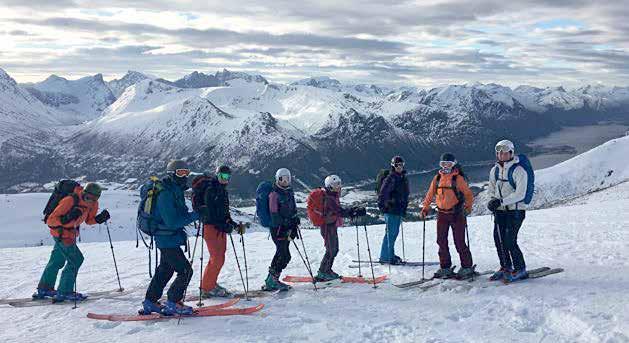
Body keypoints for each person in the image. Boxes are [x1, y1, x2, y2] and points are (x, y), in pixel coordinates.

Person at [34, 182, 110, 302]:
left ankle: (45, 288)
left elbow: (89, 220)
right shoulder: (70, 200)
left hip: (71, 234)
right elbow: (51, 220)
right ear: (84, 193)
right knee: (76, 259)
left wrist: (99, 219)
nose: (90, 200)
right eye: (88, 197)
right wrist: (66, 219)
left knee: (57, 260)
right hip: (61, 234)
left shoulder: (93, 204)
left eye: (94, 199)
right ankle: (64, 291)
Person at [141, 160, 199, 315]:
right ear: (171, 173)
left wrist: (194, 213)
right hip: (166, 238)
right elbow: (172, 221)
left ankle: (150, 301)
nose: (184, 176)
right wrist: (197, 215)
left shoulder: (175, 190)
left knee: (165, 269)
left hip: (168, 237)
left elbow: (179, 215)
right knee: (185, 270)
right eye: (180, 172)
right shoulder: (165, 194)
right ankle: (173, 302)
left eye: (186, 172)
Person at [420, 153, 475, 279]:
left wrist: (468, 208)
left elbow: (468, 195)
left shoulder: (458, 179)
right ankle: (445, 267)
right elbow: (430, 194)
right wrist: (425, 208)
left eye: (448, 163)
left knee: (459, 242)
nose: (445, 166)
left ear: (453, 164)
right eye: (443, 163)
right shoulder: (437, 178)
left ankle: (466, 266)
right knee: (441, 241)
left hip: (456, 214)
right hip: (442, 214)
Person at [197, 165, 242, 298]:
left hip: (220, 228)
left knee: (220, 257)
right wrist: (224, 226)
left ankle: (211, 283)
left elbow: (225, 213)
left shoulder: (222, 190)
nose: (225, 179)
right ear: (217, 175)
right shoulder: (211, 190)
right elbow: (211, 214)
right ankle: (206, 287)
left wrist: (232, 224)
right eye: (222, 176)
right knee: (216, 258)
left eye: (227, 177)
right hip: (211, 228)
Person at [487, 140, 529, 282]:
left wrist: (501, 201)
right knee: (499, 240)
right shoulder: (495, 170)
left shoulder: (519, 171)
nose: (501, 155)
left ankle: (520, 268)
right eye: (499, 152)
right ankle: (505, 266)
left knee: (510, 241)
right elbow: (491, 189)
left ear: (511, 153)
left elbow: (520, 194)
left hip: (515, 211)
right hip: (500, 211)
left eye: (505, 152)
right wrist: (492, 201)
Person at [314, 175, 366, 282]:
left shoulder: (332, 196)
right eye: (335, 185)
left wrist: (353, 210)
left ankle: (326, 270)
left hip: (331, 225)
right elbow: (339, 211)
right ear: (329, 186)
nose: (338, 186)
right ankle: (322, 272)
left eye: (339, 184)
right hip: (327, 227)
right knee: (331, 250)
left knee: (334, 249)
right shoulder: (329, 198)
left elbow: (339, 210)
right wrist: (353, 212)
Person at [263, 168, 299, 291]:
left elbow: (293, 210)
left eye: (287, 179)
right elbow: (274, 215)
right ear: (277, 179)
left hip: (287, 228)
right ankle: (272, 280)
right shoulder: (274, 194)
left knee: (281, 253)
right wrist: (287, 224)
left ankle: (271, 280)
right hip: (278, 229)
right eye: (282, 179)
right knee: (284, 255)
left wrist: (294, 221)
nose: (285, 181)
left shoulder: (289, 192)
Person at [378, 155, 409, 265]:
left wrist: (404, 208)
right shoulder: (391, 178)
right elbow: (383, 193)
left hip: (398, 210)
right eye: (397, 165)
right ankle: (385, 257)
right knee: (390, 234)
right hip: (391, 210)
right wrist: (384, 207)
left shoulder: (401, 177)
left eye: (401, 165)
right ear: (393, 166)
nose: (399, 167)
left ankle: (389, 254)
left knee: (393, 233)